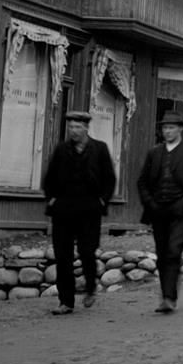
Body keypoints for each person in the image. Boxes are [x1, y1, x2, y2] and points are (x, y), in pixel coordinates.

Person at [42, 110, 117, 316]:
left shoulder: (99, 149)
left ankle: (91, 288)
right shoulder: (61, 150)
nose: (74, 131)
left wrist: (102, 200)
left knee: (86, 251)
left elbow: (109, 179)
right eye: (71, 127)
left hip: (89, 208)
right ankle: (65, 301)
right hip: (64, 209)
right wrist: (52, 199)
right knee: (63, 255)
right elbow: (49, 178)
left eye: (77, 127)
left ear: (86, 128)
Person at [137, 110, 183, 314]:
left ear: (180, 129)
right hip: (158, 209)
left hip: (181, 210)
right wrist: (149, 202)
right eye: (164, 128)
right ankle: (166, 295)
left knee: (174, 250)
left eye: (171, 128)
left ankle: (170, 297)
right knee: (161, 253)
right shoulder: (154, 153)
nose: (167, 131)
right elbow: (142, 181)